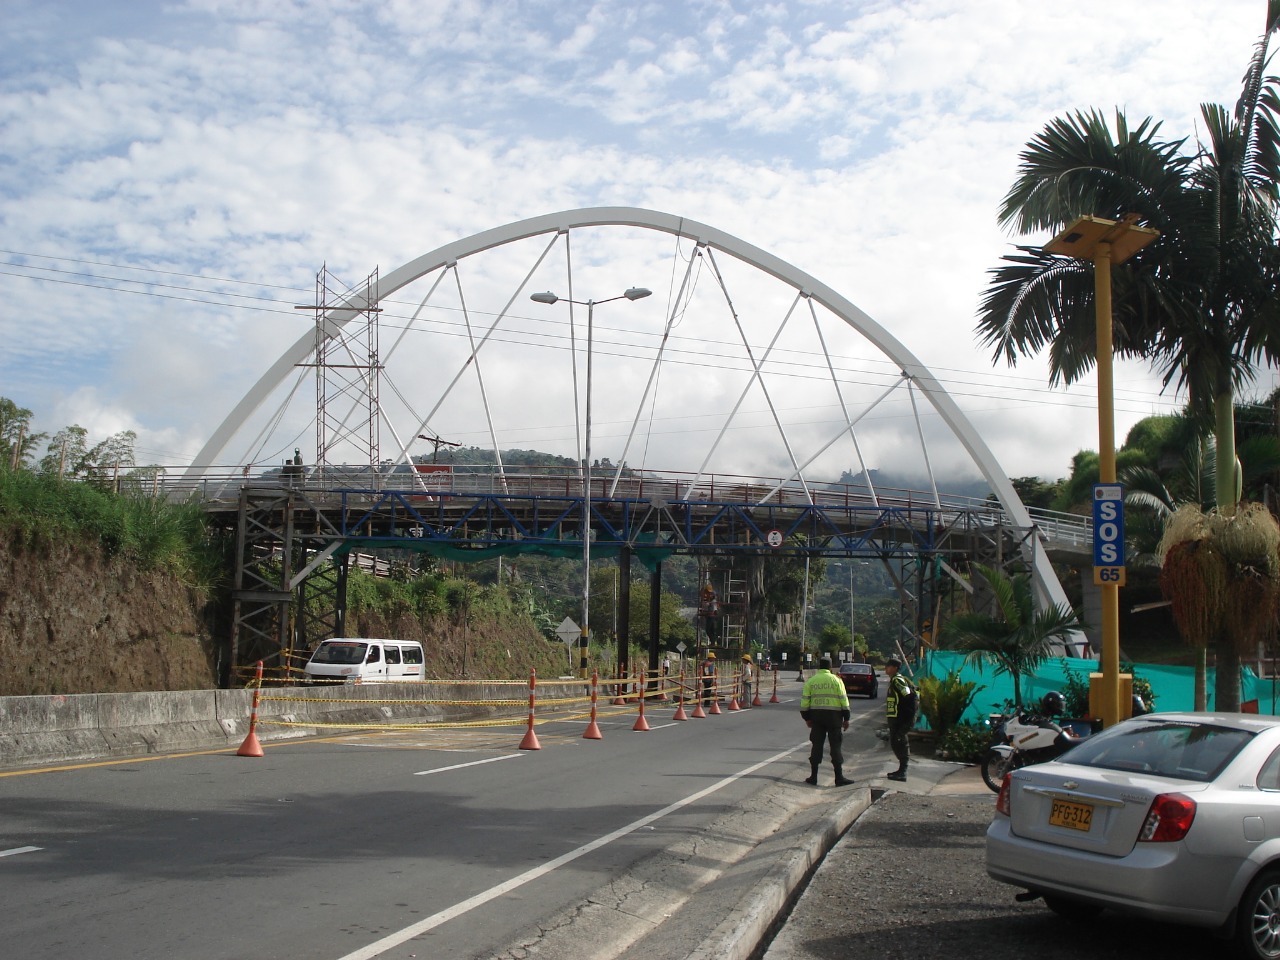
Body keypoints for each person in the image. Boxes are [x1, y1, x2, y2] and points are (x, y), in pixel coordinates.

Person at [800, 657, 853, 786]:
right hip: (834, 718)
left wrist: (807, 718)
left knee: (816, 746)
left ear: (819, 667)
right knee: (835, 747)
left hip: (817, 718)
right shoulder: (837, 680)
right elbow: (844, 700)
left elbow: (805, 702)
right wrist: (846, 718)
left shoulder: (811, 681)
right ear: (830, 667)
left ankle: (813, 777)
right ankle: (839, 777)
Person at [884, 658, 918, 782]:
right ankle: (901, 770)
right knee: (895, 742)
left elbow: (909, 696)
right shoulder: (894, 680)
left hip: (901, 718)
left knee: (901, 742)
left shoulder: (897, 681)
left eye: (889, 666)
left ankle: (903, 771)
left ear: (895, 668)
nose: (886, 668)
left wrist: (906, 716)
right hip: (895, 718)